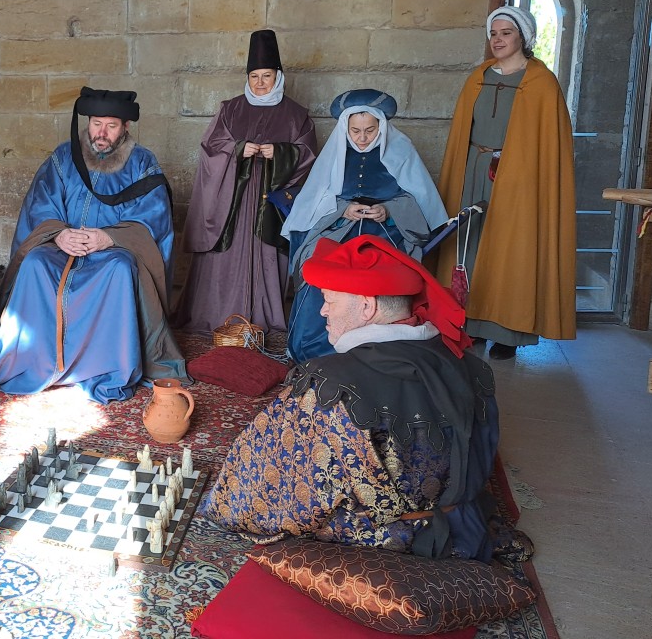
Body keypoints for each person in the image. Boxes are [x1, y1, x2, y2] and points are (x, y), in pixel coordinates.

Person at [203, 234, 499, 562]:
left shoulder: (329, 385)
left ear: (367, 305)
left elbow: (265, 484)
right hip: (465, 527)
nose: (323, 311)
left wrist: (225, 500)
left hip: (384, 546)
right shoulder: (471, 366)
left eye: (330, 300)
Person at [0, 87, 189, 404]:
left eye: (111, 125)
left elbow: (153, 216)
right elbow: (41, 204)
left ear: (126, 127)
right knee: (35, 262)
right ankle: (29, 361)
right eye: (96, 123)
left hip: (111, 252)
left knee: (119, 269)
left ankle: (105, 367)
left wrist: (110, 237)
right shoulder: (64, 157)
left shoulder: (143, 163)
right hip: (64, 245)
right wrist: (59, 234)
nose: (101, 133)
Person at [438, 6, 576, 360]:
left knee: (511, 249)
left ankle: (507, 332)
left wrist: (522, 173)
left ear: (523, 38)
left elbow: (549, 145)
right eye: (494, 33)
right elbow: (462, 134)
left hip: (520, 178)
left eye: (506, 33)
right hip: (475, 169)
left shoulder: (541, 84)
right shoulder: (477, 78)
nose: (498, 40)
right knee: (469, 245)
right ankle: (470, 324)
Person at [282, 89, 448, 362]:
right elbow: (317, 200)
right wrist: (343, 210)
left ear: (381, 127)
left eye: (369, 131)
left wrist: (389, 210)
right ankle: (318, 350)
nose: (361, 138)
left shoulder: (401, 151)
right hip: (339, 230)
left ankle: (376, 353)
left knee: (382, 280)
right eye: (355, 131)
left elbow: (417, 199)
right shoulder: (335, 154)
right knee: (320, 272)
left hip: (385, 232)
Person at [174, 29, 318, 334]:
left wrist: (279, 153)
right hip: (231, 203)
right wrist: (239, 149)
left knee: (266, 258)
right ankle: (217, 318)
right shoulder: (230, 109)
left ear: (278, 76)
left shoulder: (296, 115)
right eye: (254, 76)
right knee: (222, 260)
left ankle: (260, 320)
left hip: (270, 203)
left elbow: (308, 155)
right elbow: (211, 149)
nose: (261, 83)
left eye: (267, 75)